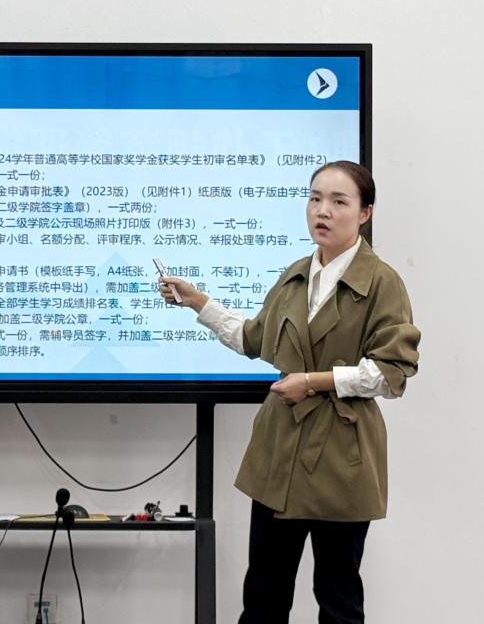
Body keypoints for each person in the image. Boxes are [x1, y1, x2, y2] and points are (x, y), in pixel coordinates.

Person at [159, 161, 420, 624]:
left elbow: (391, 372)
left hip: (342, 456)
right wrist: (196, 301)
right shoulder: (296, 274)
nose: (322, 211)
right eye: (315, 198)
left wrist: (314, 381)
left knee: (338, 599)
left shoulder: (382, 283)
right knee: (263, 594)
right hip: (279, 453)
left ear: (365, 213)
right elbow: (254, 339)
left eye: (338, 201)